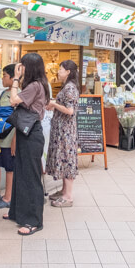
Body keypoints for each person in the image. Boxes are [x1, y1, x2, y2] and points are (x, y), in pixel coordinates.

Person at [5, 53, 48, 235]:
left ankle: (34, 221)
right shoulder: (38, 84)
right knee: (21, 173)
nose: (20, 68)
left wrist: (15, 78)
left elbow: (13, 99)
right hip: (27, 132)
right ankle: (17, 212)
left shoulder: (34, 85)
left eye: (22, 66)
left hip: (31, 134)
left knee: (30, 177)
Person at [46, 60, 81, 207]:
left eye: (61, 69)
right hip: (62, 130)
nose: (58, 72)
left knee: (66, 160)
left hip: (66, 131)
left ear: (68, 72)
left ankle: (68, 197)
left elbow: (70, 111)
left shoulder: (70, 88)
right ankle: (63, 191)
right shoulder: (67, 87)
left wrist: (54, 104)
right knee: (63, 158)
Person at [0, 64, 16, 210]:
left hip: (9, 137)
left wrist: (14, 140)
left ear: (13, 77)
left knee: (9, 167)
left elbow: (20, 118)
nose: (2, 78)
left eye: (5, 75)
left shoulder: (17, 93)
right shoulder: (4, 93)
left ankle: (8, 197)